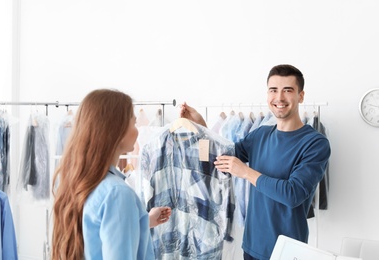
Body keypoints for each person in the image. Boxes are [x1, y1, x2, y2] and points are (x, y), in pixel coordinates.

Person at [180, 64, 331, 260]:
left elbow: (293, 194)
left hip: (287, 251)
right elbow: (221, 156)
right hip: (252, 246)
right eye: (273, 90)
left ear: (301, 96)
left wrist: (245, 172)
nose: (279, 98)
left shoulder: (315, 143)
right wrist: (200, 125)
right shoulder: (260, 134)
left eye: (288, 90)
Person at [51, 89, 171, 260]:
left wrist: (144, 219)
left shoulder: (82, 181)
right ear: (117, 130)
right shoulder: (118, 193)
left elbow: (96, 233)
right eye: (134, 123)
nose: (137, 131)